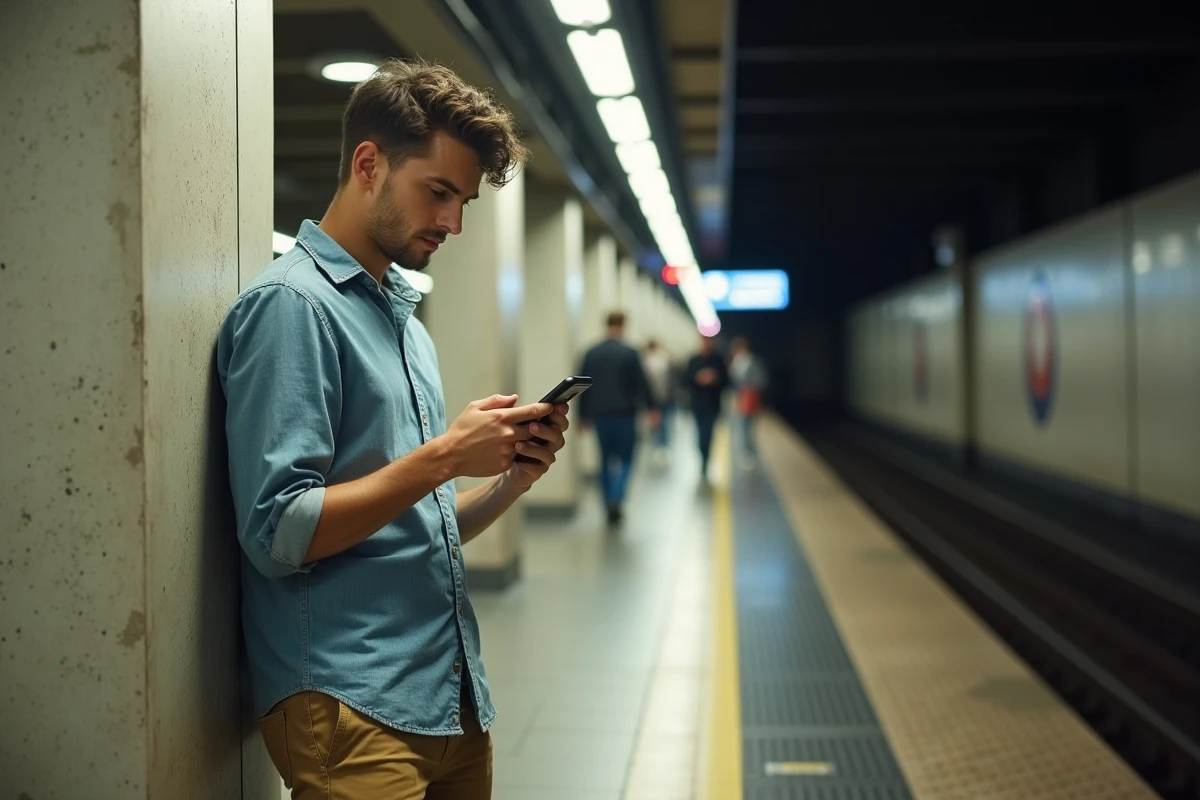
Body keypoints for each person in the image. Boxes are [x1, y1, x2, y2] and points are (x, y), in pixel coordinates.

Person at [217, 59, 568, 800]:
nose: (453, 222)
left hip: (447, 696)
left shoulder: (402, 321)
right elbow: (280, 532)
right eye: (437, 192)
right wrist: (444, 457)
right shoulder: (293, 308)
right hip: (352, 705)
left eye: (463, 201)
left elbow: (414, 529)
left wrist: (511, 479)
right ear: (369, 165)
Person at [578, 310, 658, 524]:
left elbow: (582, 387)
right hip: (625, 414)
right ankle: (617, 497)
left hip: (600, 415)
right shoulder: (630, 353)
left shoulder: (591, 352)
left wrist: (581, 416)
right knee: (626, 458)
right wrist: (652, 408)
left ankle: (607, 501)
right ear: (623, 325)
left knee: (604, 459)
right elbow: (641, 383)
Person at [683, 335, 729, 480]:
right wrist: (698, 378)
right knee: (700, 433)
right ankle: (703, 454)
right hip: (697, 404)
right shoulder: (694, 360)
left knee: (708, 432)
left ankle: (706, 458)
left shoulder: (719, 360)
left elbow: (727, 381)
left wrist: (715, 379)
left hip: (713, 404)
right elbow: (685, 381)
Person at [729, 337, 768, 465]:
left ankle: (750, 452)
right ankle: (746, 451)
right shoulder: (735, 363)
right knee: (743, 426)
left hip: (750, 398)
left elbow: (761, 380)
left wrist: (750, 387)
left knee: (749, 426)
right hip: (741, 399)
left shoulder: (753, 361)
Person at [641, 338, 674, 460]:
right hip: (664, 398)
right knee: (664, 423)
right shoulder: (663, 360)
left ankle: (656, 445)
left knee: (654, 423)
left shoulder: (645, 361)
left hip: (651, 399)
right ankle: (662, 446)